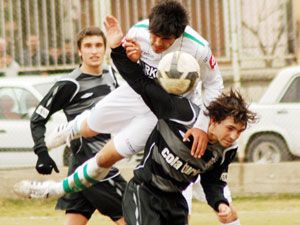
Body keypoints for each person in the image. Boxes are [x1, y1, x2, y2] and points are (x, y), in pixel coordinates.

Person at [15, 16, 256, 225]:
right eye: (155, 38)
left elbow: (215, 83)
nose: (157, 44)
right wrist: (120, 49)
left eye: (165, 40)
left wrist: (201, 128)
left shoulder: (200, 50)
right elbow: (134, 77)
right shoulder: (139, 33)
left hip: (167, 134)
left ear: (179, 36)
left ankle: (56, 189)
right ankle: (63, 134)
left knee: (106, 158)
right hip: (148, 99)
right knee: (91, 125)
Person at [30, 27, 126, 225]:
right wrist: (42, 152)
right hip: (94, 165)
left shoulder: (111, 76)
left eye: (99, 45)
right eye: (88, 46)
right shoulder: (70, 83)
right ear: (79, 51)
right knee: (134, 217)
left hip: (82, 165)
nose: (94, 51)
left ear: (105, 48)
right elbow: (38, 118)